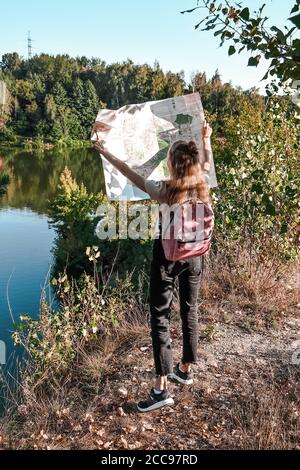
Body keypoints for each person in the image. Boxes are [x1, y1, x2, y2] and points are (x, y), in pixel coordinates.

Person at [93, 120, 213, 412]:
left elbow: (127, 171)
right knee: (190, 310)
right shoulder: (204, 183)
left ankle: (160, 391)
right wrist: (205, 138)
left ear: (172, 164)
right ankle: (184, 370)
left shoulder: (164, 190)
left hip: (167, 257)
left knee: (160, 317)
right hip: (196, 255)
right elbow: (206, 160)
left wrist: (104, 151)